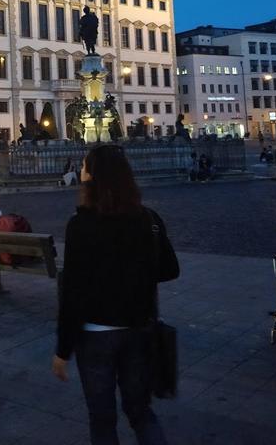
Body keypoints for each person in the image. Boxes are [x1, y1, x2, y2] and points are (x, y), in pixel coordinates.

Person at [52, 144, 179, 445]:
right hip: (139, 327)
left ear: (91, 176)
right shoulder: (148, 218)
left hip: (95, 334)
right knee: (141, 412)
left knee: (102, 419)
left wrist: (62, 350)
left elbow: (72, 293)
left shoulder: (80, 225)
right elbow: (170, 269)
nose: (81, 171)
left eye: (84, 166)